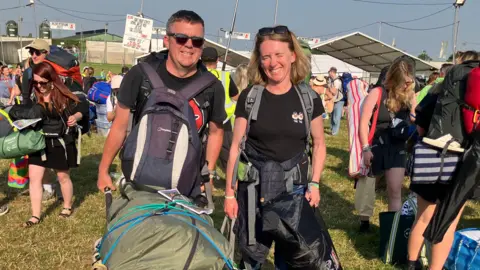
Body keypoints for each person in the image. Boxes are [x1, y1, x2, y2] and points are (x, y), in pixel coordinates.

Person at [224, 25, 339, 269]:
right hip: (253, 192)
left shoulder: (308, 98)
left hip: (294, 193)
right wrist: (229, 194)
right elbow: (235, 147)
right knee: (250, 259)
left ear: (292, 56)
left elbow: (319, 145)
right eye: (265, 57)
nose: (272, 62)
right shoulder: (250, 97)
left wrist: (316, 183)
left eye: (278, 55)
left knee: (293, 260)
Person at [97, 10, 226, 198]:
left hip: (187, 183)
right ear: (167, 40)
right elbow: (119, 126)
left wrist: (209, 174)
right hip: (139, 179)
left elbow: (216, 132)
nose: (189, 45)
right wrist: (103, 170)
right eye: (181, 38)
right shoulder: (140, 75)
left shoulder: (213, 87)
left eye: (197, 41)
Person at [407, 51, 480, 270]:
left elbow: (419, 123)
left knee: (423, 215)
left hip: (433, 153)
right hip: (466, 160)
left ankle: (412, 263)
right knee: (449, 221)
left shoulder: (441, 87)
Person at [9, 62, 88, 227]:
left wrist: (77, 117)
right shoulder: (33, 95)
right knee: (35, 179)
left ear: (51, 80)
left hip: (59, 142)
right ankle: (35, 216)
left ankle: (67, 206)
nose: (39, 86)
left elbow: (83, 106)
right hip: (38, 142)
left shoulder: (63, 94)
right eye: (36, 83)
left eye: (43, 83)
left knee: (63, 176)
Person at [359, 57, 416, 213]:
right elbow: (363, 122)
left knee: (395, 191)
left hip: (398, 146)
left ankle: (392, 232)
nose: (407, 85)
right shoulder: (377, 93)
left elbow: (414, 118)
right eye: (405, 82)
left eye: (410, 82)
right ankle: (364, 221)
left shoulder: (410, 96)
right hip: (376, 144)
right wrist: (365, 148)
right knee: (369, 188)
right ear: (395, 79)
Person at [201, 47, 240, 178]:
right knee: (228, 157)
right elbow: (236, 97)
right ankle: (233, 182)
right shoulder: (225, 76)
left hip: (202, 122)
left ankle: (205, 181)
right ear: (217, 60)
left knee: (202, 156)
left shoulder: (197, 76)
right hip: (224, 122)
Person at [328, 67, 343, 136]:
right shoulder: (331, 80)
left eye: (329, 72)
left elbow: (334, 92)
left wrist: (329, 88)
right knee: (332, 116)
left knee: (336, 117)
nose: (328, 73)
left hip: (338, 100)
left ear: (332, 72)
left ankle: (334, 132)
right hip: (333, 100)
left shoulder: (337, 81)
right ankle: (332, 130)